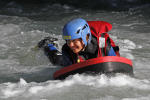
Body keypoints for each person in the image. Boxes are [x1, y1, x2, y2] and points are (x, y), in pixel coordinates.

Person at [38, 18, 120, 67]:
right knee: (57, 61)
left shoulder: (103, 44)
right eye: (68, 41)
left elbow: (116, 63)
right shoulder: (67, 50)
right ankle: (48, 44)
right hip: (72, 60)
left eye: (74, 41)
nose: (70, 45)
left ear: (86, 37)